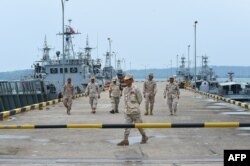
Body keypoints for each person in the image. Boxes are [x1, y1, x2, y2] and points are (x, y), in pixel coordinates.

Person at [117, 74, 148, 146]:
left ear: (131, 80)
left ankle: (144, 136)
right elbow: (125, 100)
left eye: (127, 80)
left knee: (139, 126)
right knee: (126, 126)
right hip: (127, 111)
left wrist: (135, 106)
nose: (126, 81)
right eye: (125, 80)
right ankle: (125, 140)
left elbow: (140, 99)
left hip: (135, 112)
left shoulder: (135, 88)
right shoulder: (125, 89)